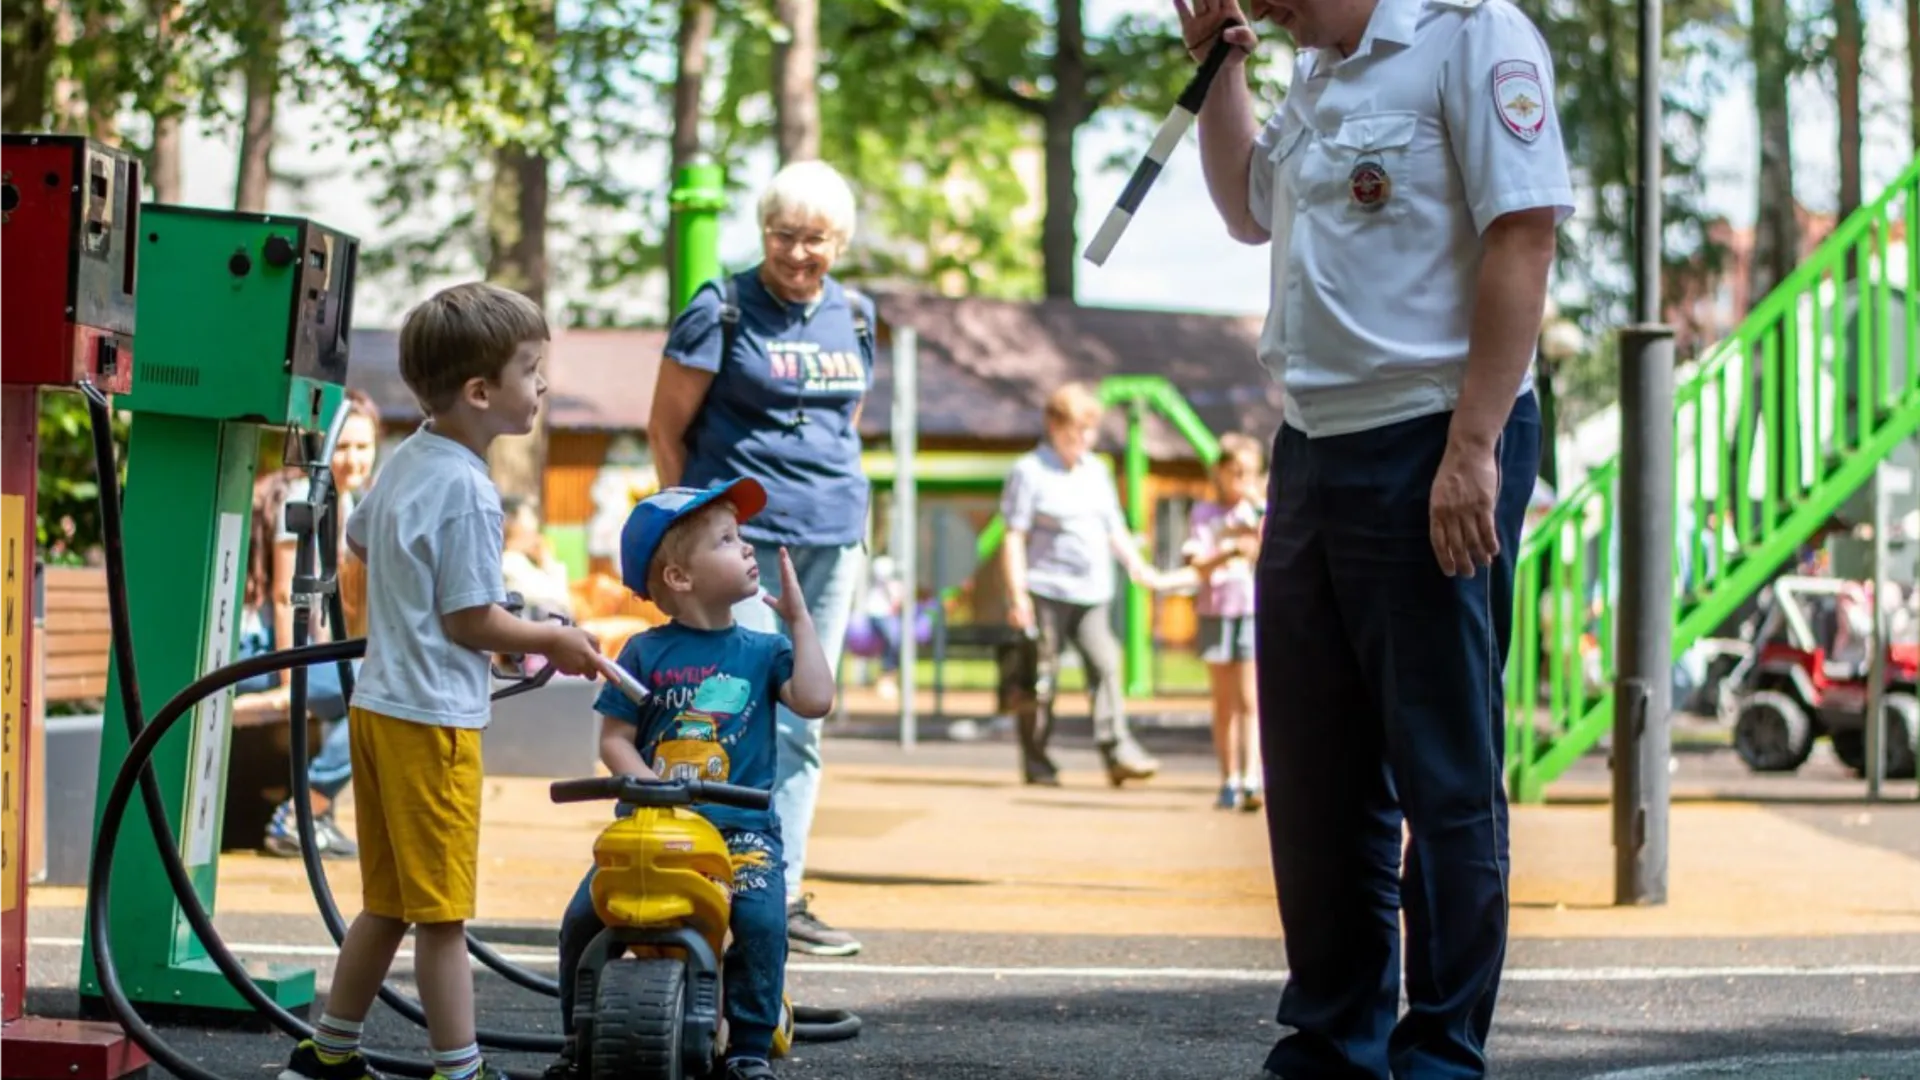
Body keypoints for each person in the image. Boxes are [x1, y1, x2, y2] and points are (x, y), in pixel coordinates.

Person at [1174, 0, 1572, 1074]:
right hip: (1311, 443)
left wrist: (1475, 445)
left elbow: (1524, 234)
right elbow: (1248, 210)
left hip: (1436, 433)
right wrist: (1219, 73)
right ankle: (1334, 1035)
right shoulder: (1317, 64)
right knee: (1314, 771)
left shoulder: (1473, 36)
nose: (1265, 7)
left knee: (1443, 765)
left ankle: (1440, 1050)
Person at [278, 281, 601, 1080]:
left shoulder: (407, 459)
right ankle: (460, 1070)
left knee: (387, 904)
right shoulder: (468, 489)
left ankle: (330, 1052)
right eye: (532, 371)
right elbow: (471, 622)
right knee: (444, 917)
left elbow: (359, 538)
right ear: (481, 391)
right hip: (432, 724)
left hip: (380, 709)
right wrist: (551, 639)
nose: (543, 386)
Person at [647, 159, 874, 957]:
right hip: (740, 538)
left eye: (815, 239)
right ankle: (704, 874)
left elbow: (845, 424)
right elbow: (666, 427)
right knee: (724, 706)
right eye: (784, 234)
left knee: (805, 712)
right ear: (762, 231)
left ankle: (778, 886)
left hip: (833, 531)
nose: (797, 253)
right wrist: (688, 533)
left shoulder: (858, 314)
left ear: (838, 241)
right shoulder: (722, 308)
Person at [549, 479, 834, 1080]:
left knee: (761, 919)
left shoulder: (763, 649)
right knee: (582, 918)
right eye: (728, 539)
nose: (748, 547)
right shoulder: (643, 652)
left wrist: (801, 621)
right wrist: (648, 787)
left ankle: (751, 1045)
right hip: (654, 830)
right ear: (680, 577)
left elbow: (814, 700)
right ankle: (579, 1035)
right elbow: (614, 739)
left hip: (741, 833)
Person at [1000, 381, 1169, 787]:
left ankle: (1118, 752)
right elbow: (1013, 537)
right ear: (1053, 425)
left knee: (1107, 665)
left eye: (1088, 430)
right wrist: (1018, 594)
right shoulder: (1029, 471)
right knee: (1041, 679)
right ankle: (1037, 760)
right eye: (1073, 429)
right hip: (1045, 591)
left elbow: (1113, 526)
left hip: (1092, 591)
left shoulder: (1096, 471)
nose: (1081, 438)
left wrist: (1135, 564)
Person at [262, 388, 382, 860]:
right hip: (280, 656)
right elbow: (283, 592)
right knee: (373, 696)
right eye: (344, 447)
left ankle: (312, 813)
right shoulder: (304, 497)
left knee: (369, 693)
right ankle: (304, 810)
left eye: (363, 447)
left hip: (320, 656)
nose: (353, 459)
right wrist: (290, 678)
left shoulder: (352, 503)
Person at [1181, 432, 1266, 812]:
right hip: (1216, 611)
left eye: (1250, 473)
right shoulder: (1204, 514)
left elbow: (1266, 550)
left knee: (1251, 699)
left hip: (1250, 611)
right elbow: (1198, 563)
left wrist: (1255, 520)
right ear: (1220, 473)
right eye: (1236, 472)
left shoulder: (1259, 513)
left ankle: (1252, 778)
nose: (1242, 481)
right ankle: (1228, 778)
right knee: (1224, 702)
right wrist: (1230, 548)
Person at [500, 495, 575, 621]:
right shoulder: (510, 563)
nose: (535, 523)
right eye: (530, 516)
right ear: (511, 522)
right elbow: (560, 600)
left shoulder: (521, 560)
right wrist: (547, 559)